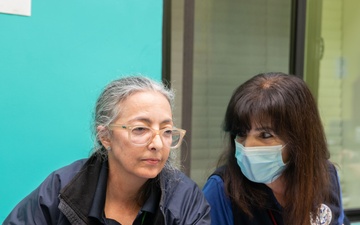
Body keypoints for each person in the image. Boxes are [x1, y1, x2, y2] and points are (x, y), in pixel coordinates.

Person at [4, 75, 211, 225]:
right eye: (140, 129)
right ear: (105, 136)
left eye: (166, 131)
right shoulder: (62, 190)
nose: (157, 144)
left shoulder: (184, 198)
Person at [202, 72, 348, 225]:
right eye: (241, 133)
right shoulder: (221, 190)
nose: (248, 146)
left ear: (299, 140)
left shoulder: (325, 176)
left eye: (265, 135)